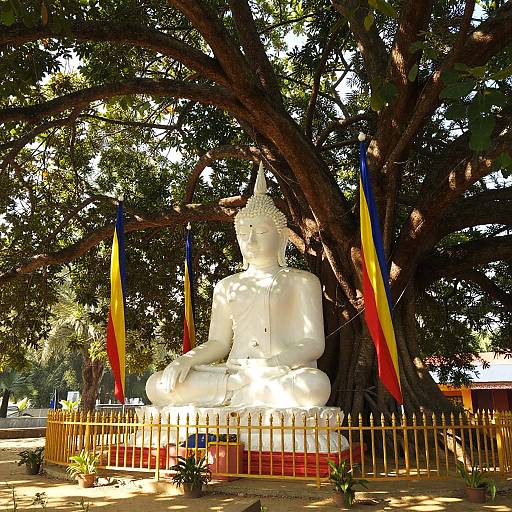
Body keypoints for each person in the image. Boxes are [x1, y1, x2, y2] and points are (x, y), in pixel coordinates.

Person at [146, 163, 331, 408]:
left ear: (283, 238)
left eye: (262, 232)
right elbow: (219, 343)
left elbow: (313, 344)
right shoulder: (227, 285)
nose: (251, 240)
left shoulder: (302, 281)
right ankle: (238, 391)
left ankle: (237, 394)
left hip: (277, 373)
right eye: (244, 234)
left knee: (314, 386)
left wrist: (270, 365)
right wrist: (185, 361)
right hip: (233, 372)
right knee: (156, 385)